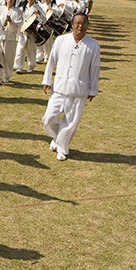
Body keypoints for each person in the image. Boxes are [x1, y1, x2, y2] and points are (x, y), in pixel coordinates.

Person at [41, 12, 100, 161]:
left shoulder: (93, 45)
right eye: (77, 23)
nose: (80, 26)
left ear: (87, 25)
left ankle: (62, 148)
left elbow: (95, 69)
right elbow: (51, 61)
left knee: (70, 123)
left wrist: (93, 89)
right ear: (72, 24)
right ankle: (56, 137)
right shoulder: (61, 41)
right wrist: (46, 80)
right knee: (48, 118)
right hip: (59, 88)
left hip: (78, 90)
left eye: (83, 23)